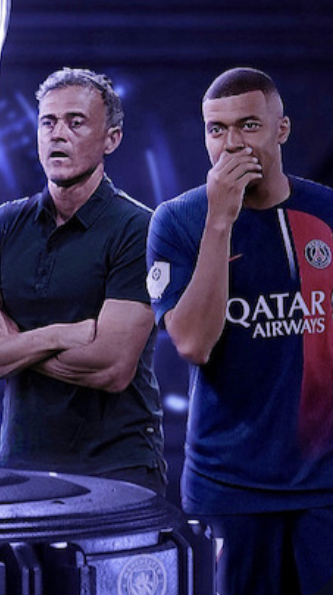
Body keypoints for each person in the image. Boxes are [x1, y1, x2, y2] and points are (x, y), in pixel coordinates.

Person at [147, 67, 333, 594]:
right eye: (217, 129)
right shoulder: (177, 221)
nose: (231, 144)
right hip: (229, 490)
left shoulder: (325, 212)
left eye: (248, 125)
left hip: (324, 486)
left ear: (282, 129)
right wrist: (220, 221)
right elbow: (193, 343)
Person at [0, 67, 165, 495]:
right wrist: (58, 335)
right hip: (24, 470)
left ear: (111, 139)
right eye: (47, 122)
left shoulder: (139, 228)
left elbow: (112, 367)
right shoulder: (1, 225)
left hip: (119, 468)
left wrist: (10, 341)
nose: (58, 134)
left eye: (75, 122)